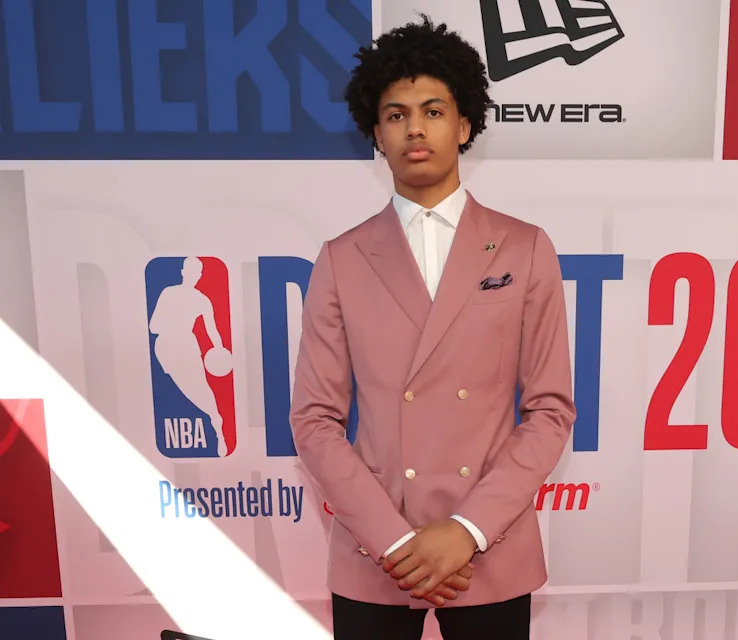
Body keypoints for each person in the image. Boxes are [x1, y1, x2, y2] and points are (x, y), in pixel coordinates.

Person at [289, 14, 575, 640]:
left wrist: (466, 532)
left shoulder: (525, 248)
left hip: (489, 554)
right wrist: (397, 542)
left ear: (465, 124)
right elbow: (314, 421)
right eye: (396, 115)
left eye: (433, 110)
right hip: (376, 553)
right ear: (377, 134)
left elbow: (551, 411)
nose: (414, 127)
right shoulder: (341, 258)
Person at [149, 257, 229, 457]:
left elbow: (213, 330)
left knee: (201, 388)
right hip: (166, 347)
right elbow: (153, 326)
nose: (194, 275)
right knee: (189, 390)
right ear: (183, 272)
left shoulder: (202, 300)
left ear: (200, 276)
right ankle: (215, 419)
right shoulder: (168, 293)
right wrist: (173, 324)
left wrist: (219, 350)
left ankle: (218, 426)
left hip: (188, 346)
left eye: (197, 272)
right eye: (191, 271)